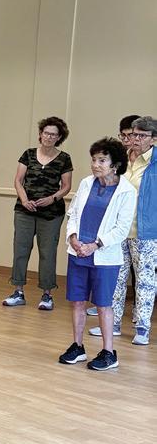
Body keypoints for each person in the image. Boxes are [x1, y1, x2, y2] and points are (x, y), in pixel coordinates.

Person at [58, 137, 136, 371]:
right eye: (94, 159)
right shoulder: (86, 183)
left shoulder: (126, 191)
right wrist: (73, 238)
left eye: (102, 160)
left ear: (115, 164)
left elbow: (122, 229)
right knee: (77, 302)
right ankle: (77, 346)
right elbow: (73, 213)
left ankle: (109, 353)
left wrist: (95, 245)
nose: (95, 164)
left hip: (105, 257)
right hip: (78, 253)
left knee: (103, 304)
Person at [88, 116, 157, 345]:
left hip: (146, 232)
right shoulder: (121, 160)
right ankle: (113, 323)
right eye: (133, 134)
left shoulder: (155, 162)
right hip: (117, 230)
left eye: (141, 135)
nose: (135, 139)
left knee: (145, 280)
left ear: (153, 139)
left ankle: (142, 328)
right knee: (116, 278)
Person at [2, 117, 73, 310]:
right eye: (46, 133)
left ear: (59, 137)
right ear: (40, 134)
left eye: (53, 134)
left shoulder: (64, 158)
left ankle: (47, 295)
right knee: (21, 250)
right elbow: (18, 180)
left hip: (51, 213)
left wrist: (52, 198)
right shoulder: (28, 154)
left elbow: (66, 186)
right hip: (24, 210)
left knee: (47, 253)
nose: (49, 137)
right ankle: (18, 292)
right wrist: (25, 200)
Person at [86, 115, 138, 317]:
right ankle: (107, 310)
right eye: (123, 135)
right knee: (116, 273)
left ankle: (137, 317)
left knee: (140, 276)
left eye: (131, 135)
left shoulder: (148, 161)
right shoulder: (115, 156)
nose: (127, 139)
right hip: (112, 228)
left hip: (138, 226)